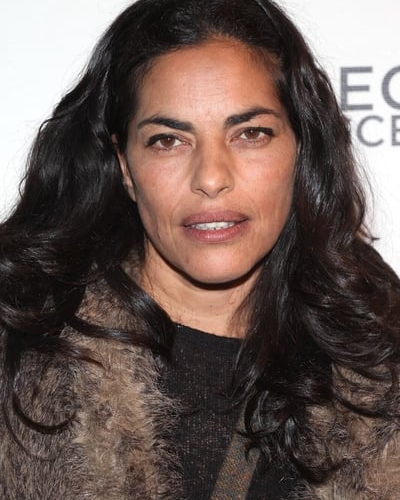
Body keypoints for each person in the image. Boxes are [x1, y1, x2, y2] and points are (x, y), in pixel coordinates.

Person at [1, 0, 400, 498]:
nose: (211, 178)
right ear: (125, 166)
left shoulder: (380, 353)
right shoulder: (22, 356)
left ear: (301, 151)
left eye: (250, 133)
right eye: (168, 140)